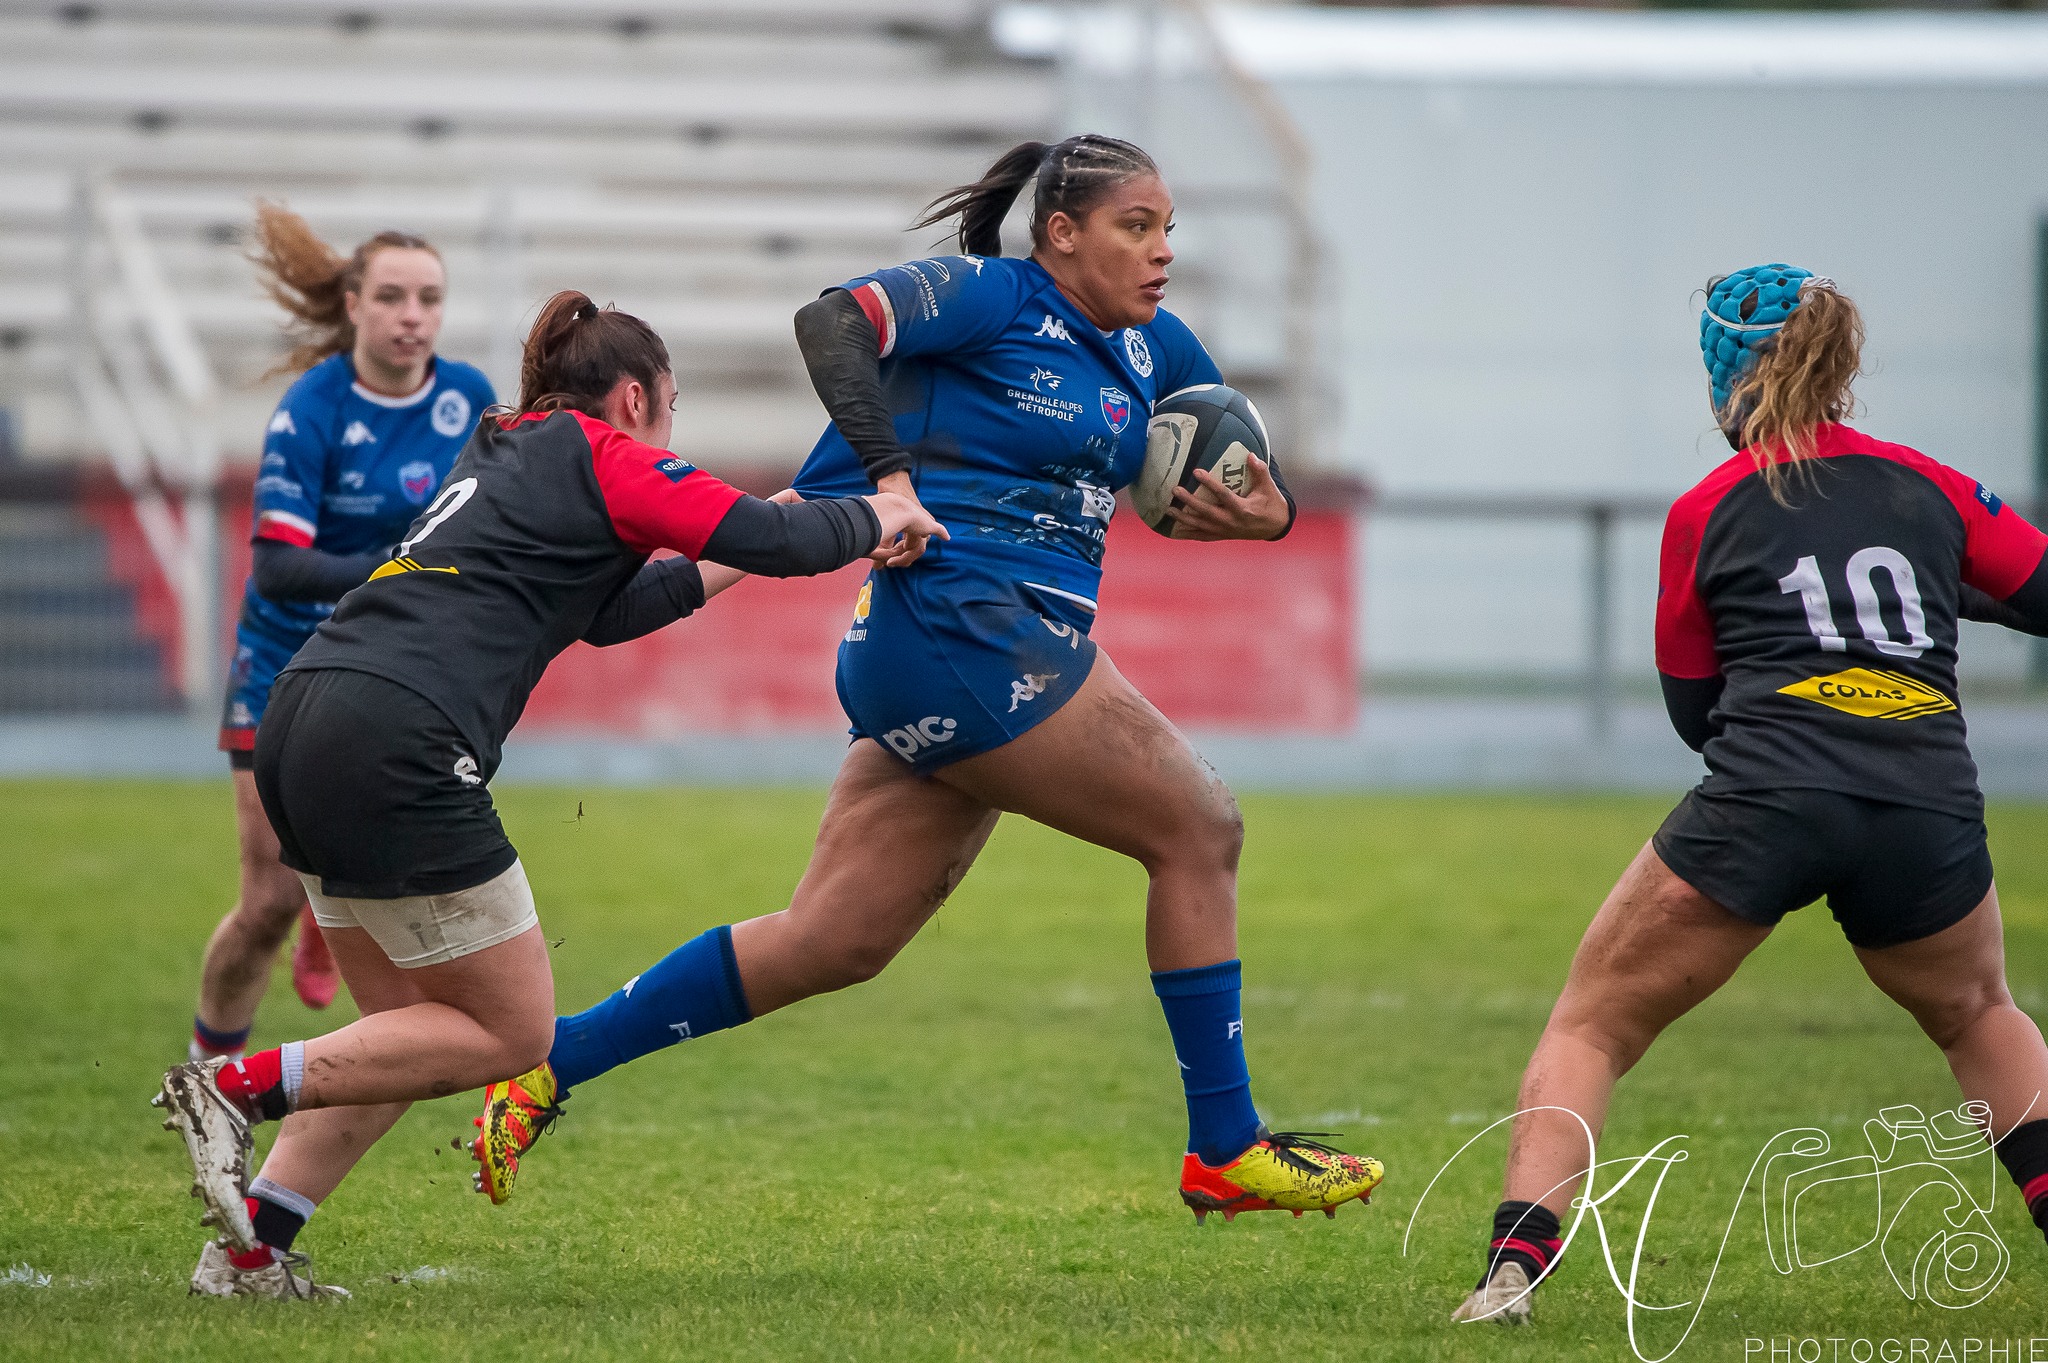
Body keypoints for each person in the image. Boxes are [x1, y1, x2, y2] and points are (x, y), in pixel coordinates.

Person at [468, 135, 1385, 1226]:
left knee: (832, 939)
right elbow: (830, 323)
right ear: (1060, 233)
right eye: (1135, 227)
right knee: (1200, 827)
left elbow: (1242, 468)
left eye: (1167, 229)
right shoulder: (992, 299)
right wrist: (889, 479)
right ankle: (1225, 1148)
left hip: (965, 651)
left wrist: (1266, 516)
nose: (1162, 252)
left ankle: (546, 1065)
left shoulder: (1155, 347)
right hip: (965, 628)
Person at [152, 290, 943, 1300]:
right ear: (634, 398)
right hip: (399, 736)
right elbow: (774, 542)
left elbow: (611, 612)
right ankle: (230, 1087)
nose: (669, 432)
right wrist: (881, 511)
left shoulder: (504, 443)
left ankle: (247, 1254)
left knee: (403, 1043)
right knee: (515, 1034)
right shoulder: (606, 454)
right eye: (669, 409)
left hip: (308, 711)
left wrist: (782, 521)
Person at [1451, 266, 2048, 1326]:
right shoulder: (1932, 486)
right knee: (1978, 1014)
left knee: (1592, 1024)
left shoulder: (1706, 509)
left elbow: (1697, 714)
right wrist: (1949, 598)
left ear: (1724, 376)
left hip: (1767, 801)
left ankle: (1511, 1276)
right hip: (1924, 801)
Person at [191, 203, 494, 1061]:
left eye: (429, 298)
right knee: (265, 905)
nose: (412, 316)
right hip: (283, 664)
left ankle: (327, 908)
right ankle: (209, 1079)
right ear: (354, 305)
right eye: (392, 297)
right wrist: (403, 566)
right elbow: (280, 568)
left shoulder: (469, 399)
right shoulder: (311, 408)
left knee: (386, 876)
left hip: (391, 668)